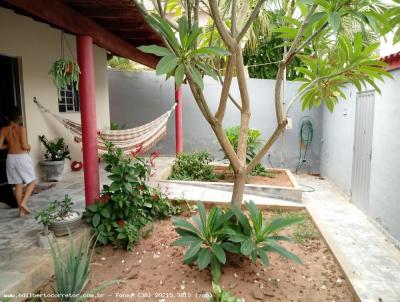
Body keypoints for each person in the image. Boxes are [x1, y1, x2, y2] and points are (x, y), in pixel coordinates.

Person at [0, 110, 36, 217]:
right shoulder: (22, 129)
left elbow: (0, 146)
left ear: (8, 118)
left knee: (18, 185)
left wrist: (10, 145)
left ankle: (21, 212)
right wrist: (30, 147)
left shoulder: (4, 129)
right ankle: (23, 203)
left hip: (10, 158)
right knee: (32, 182)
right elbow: (25, 146)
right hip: (22, 158)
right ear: (19, 117)